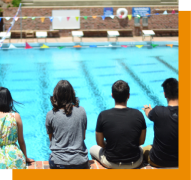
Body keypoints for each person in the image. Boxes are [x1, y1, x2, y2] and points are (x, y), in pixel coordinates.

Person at [90, 80, 147, 169]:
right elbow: (141, 142)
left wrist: (111, 146)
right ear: (128, 96)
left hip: (111, 162)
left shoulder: (103, 115)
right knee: (141, 147)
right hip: (135, 162)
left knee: (92, 148)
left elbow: (100, 143)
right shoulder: (138, 114)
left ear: (112, 95)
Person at [46, 80, 89, 169]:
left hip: (58, 163)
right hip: (80, 162)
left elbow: (51, 139)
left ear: (56, 95)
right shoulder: (82, 111)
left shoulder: (51, 114)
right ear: (72, 94)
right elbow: (83, 137)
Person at [142, 78, 178, 167]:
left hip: (158, 160)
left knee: (143, 150)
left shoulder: (158, 111)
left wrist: (147, 109)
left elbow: (148, 114)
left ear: (165, 94)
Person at [0, 87, 34, 170]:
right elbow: (21, 141)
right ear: (10, 100)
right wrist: (26, 157)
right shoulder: (16, 116)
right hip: (15, 158)